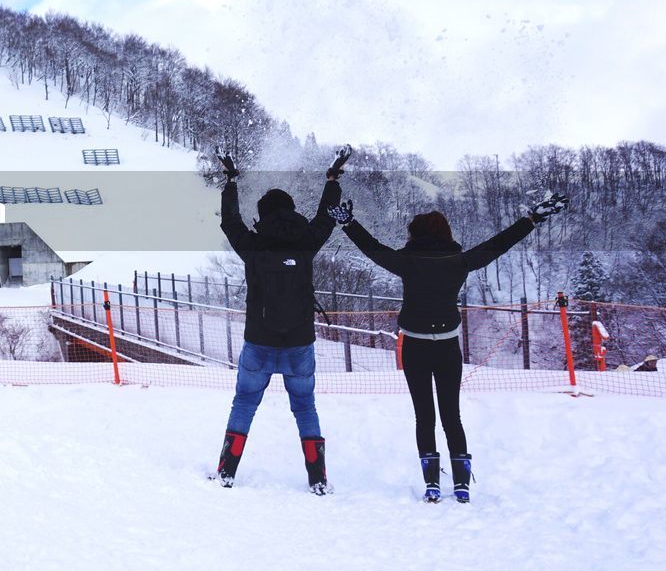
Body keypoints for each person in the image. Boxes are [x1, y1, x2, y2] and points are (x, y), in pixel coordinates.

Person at [326, 192, 569, 502]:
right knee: (451, 415)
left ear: (416, 235)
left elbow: (374, 250)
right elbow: (499, 243)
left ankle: (431, 484)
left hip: (414, 346)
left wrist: (348, 224)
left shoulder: (407, 262)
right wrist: (532, 219)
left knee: (424, 416)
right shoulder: (460, 261)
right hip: (448, 348)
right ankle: (462, 486)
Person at [212, 147, 350, 494]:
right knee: (305, 407)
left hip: (258, 341)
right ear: (290, 210)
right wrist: (331, 180)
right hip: (299, 343)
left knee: (244, 403)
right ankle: (318, 479)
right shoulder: (307, 242)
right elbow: (326, 217)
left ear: (264, 213)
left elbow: (230, 223)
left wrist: (231, 181)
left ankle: (227, 472)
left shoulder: (254, 245)